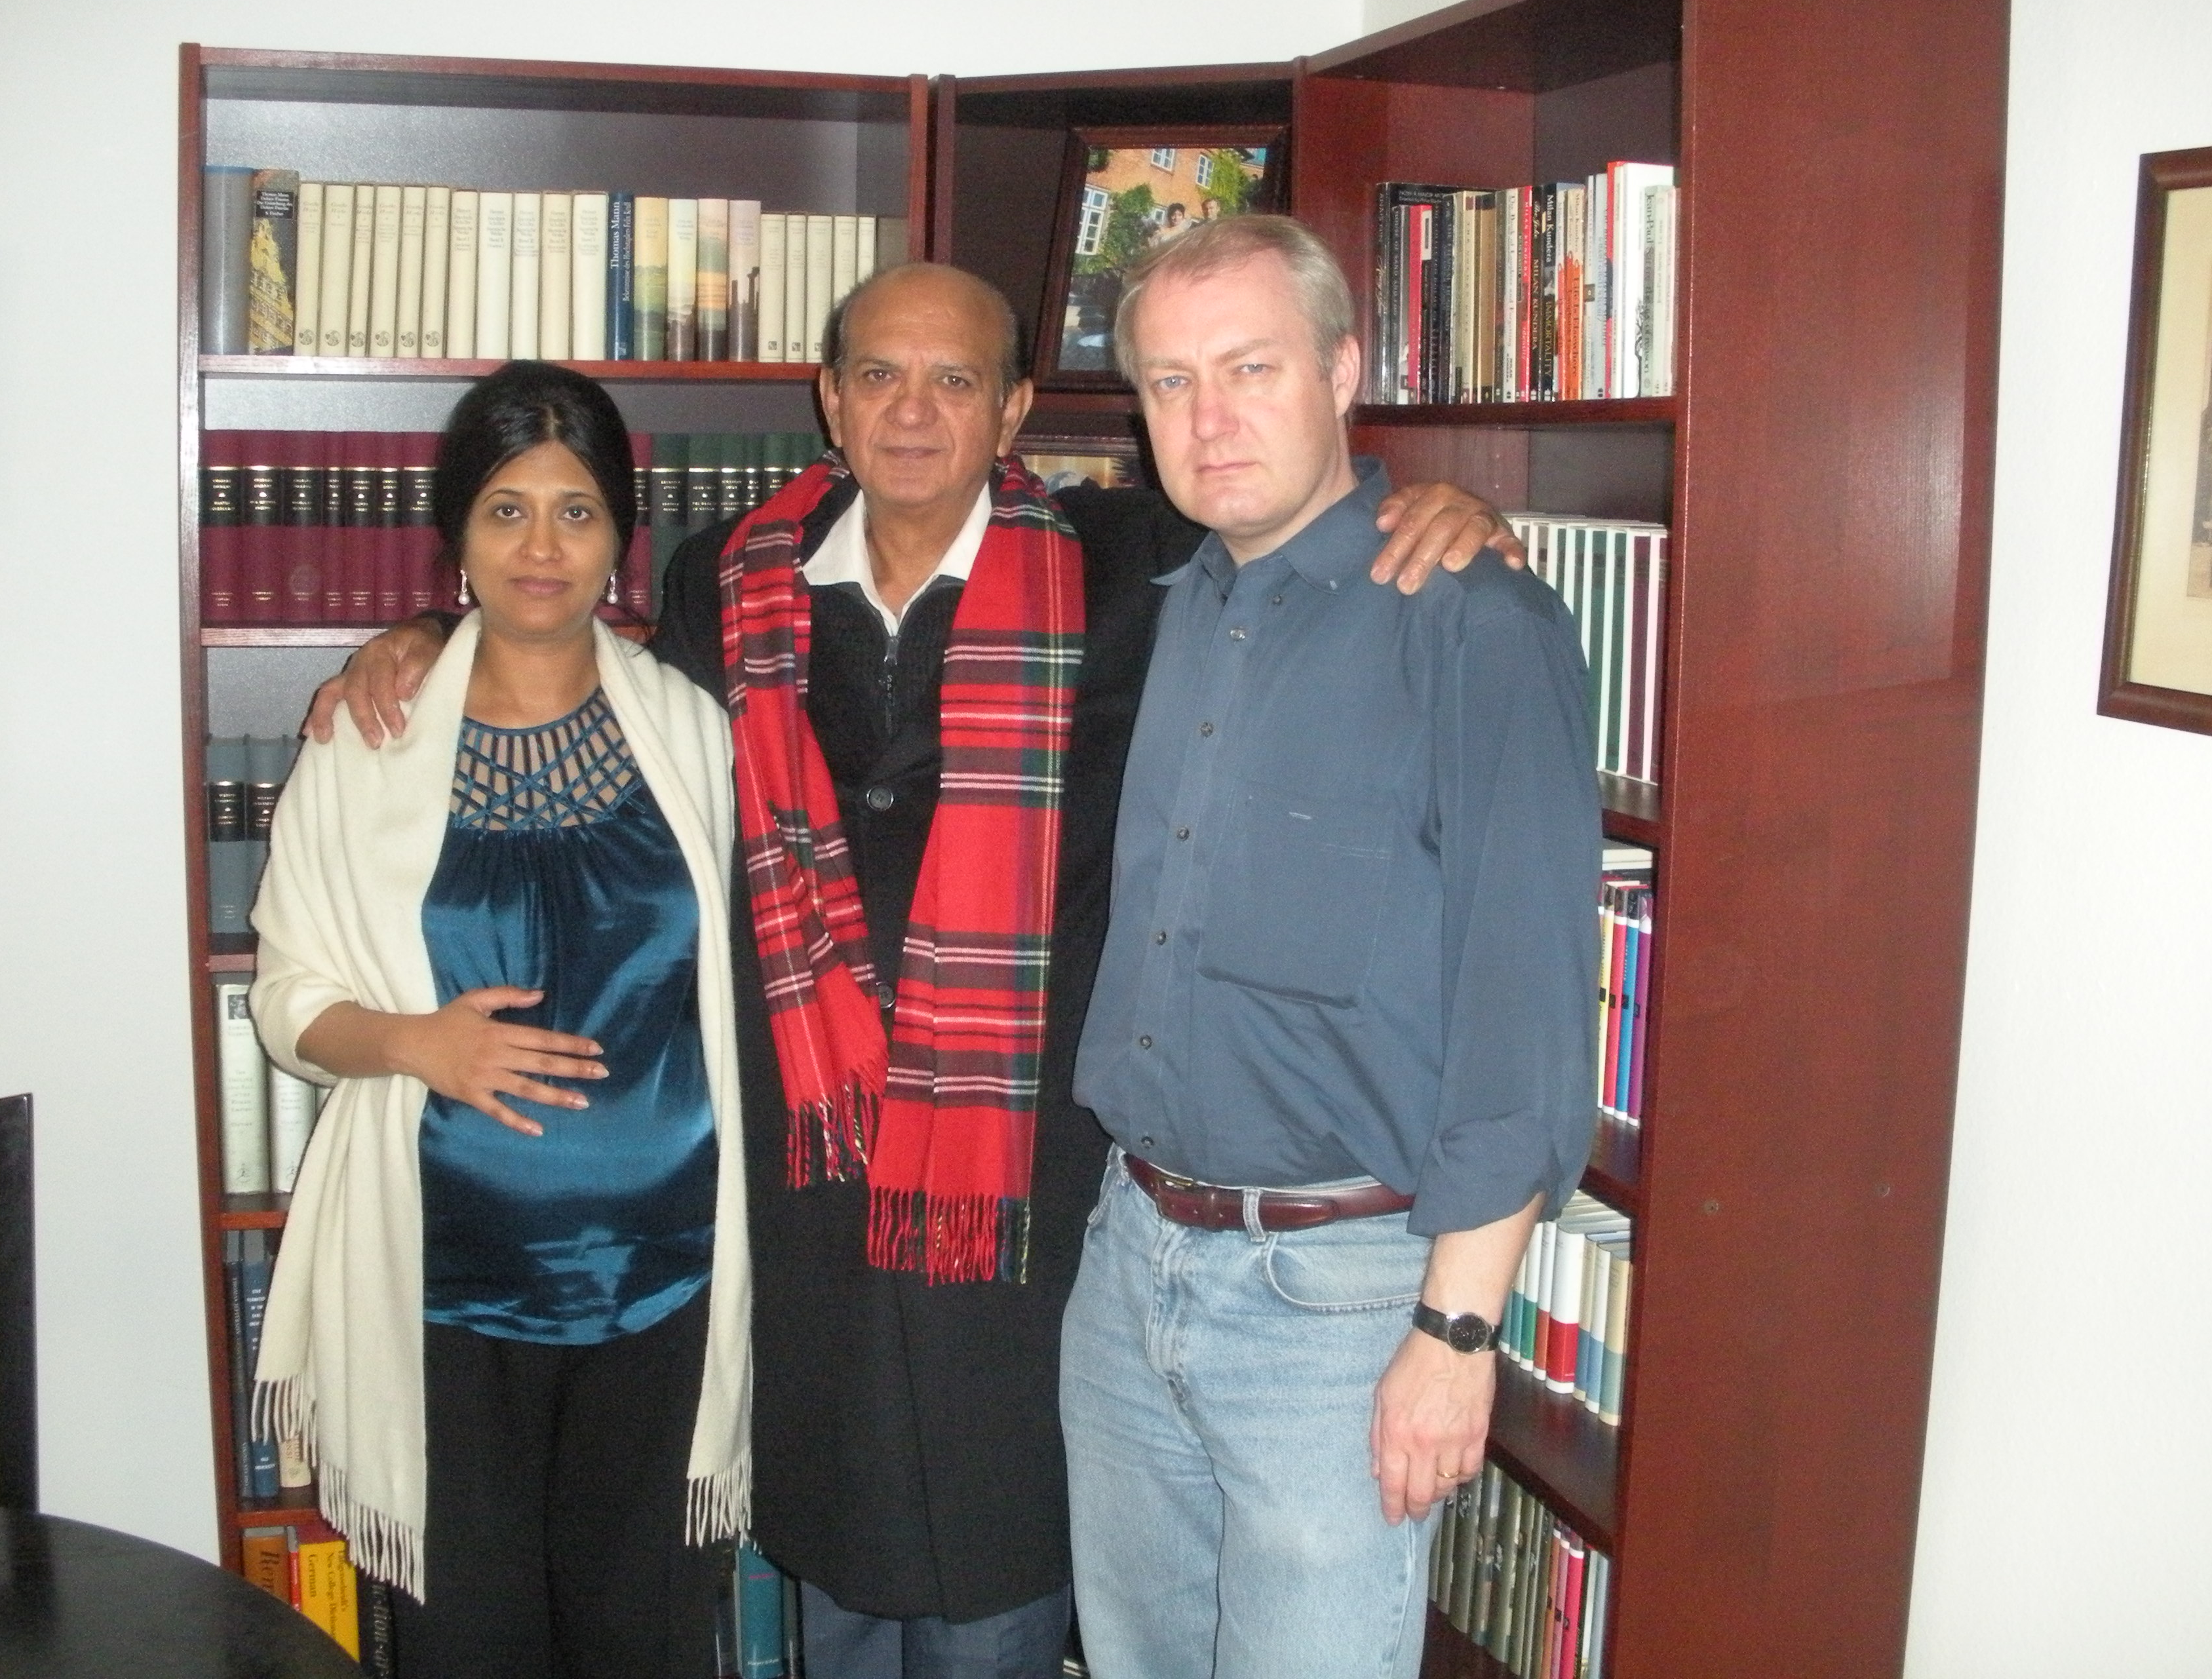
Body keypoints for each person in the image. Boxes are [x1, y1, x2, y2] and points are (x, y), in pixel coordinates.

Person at [311, 263, 1517, 1679]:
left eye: (956, 380)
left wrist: (1435, 504)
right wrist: (428, 636)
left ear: (1014, 407)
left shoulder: (1131, 560)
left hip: (1019, 1207)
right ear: (830, 399)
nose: (913, 411)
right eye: (880, 374)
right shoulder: (728, 581)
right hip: (809, 1197)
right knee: (838, 1573)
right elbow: (576, 667)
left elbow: (1296, 514)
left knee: (1001, 1581)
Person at [1061, 215, 1601, 1679]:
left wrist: (1456, 1336)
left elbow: (1529, 1017)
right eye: (1171, 382)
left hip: (1336, 1302)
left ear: (1344, 371)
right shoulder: (1166, 600)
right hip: (1129, 1260)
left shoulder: (1474, 621)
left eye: (1252, 368)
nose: (1211, 418)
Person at [249, 361, 749, 1679]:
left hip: (670, 1280)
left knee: (643, 1646)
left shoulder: (698, 733)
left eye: (576, 512)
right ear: (457, 536)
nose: (542, 547)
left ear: (621, 537)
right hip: (445, 1287)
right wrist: (414, 1044)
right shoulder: (367, 741)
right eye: (507, 511)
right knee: (469, 1646)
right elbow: (288, 1001)